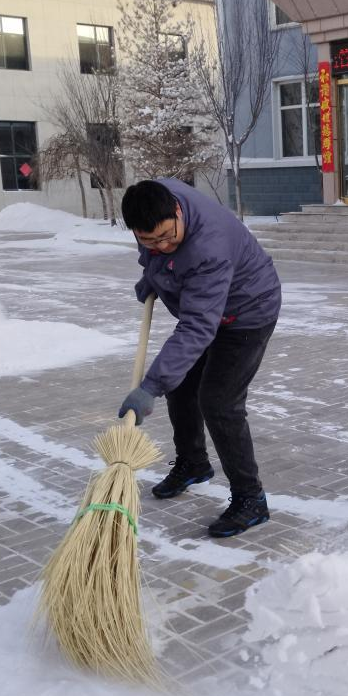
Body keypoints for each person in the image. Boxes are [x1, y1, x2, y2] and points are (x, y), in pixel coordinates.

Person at [117, 178, 281, 539]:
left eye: (166, 236)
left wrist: (150, 387)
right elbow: (157, 255)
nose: (161, 245)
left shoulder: (209, 248)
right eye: (149, 240)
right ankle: (193, 463)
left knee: (219, 402)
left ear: (178, 211)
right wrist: (154, 274)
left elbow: (196, 327)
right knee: (181, 385)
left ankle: (251, 499)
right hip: (208, 310)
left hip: (247, 311)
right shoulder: (153, 202)